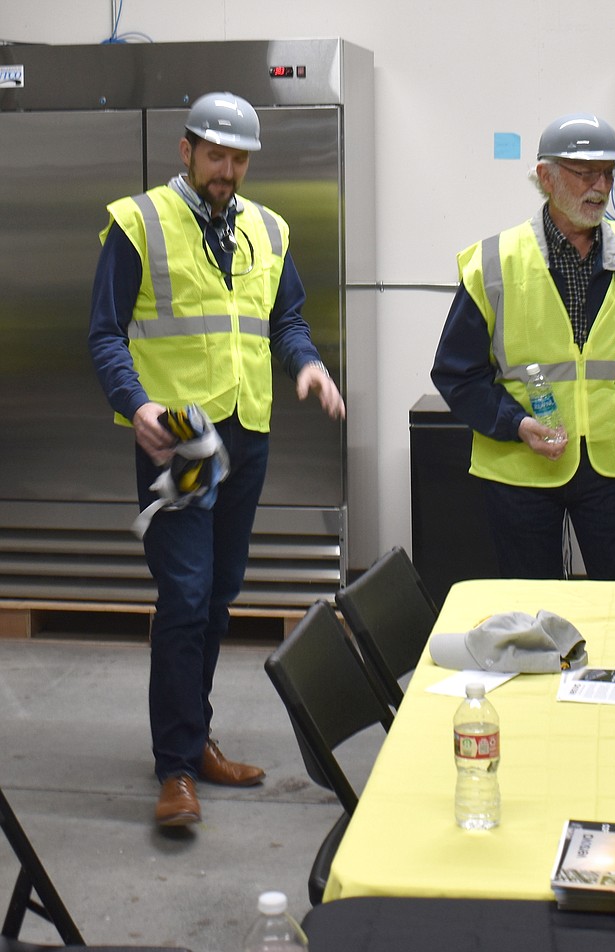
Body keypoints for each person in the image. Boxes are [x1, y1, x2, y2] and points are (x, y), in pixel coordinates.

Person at [88, 91, 345, 828]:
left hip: (246, 432)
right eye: (215, 155)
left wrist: (307, 364)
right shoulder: (138, 223)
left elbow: (285, 317)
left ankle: (195, 740)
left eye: (238, 159)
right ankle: (174, 768)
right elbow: (106, 333)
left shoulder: (266, 228)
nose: (226, 170)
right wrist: (136, 404)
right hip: (183, 441)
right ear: (187, 151)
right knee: (186, 594)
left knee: (221, 591)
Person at [430, 112, 615, 581]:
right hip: (520, 470)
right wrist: (515, 424)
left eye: (608, 173)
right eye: (585, 173)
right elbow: (457, 372)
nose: (600, 186)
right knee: (534, 613)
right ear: (546, 177)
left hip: (612, 465)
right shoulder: (496, 261)